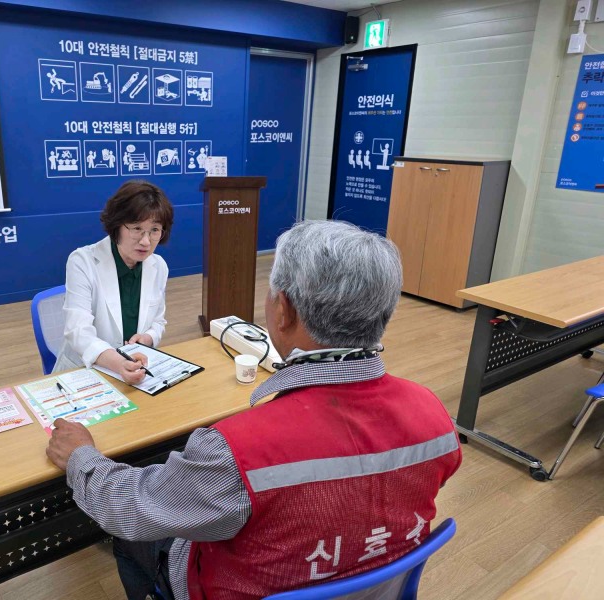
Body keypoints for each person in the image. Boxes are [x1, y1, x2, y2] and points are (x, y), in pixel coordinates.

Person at [47, 220, 462, 600]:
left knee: (133, 537)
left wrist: (82, 456)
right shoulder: (434, 413)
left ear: (284, 310)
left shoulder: (235, 450)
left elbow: (132, 509)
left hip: (229, 586)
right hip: (370, 582)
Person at [51, 180, 173, 384]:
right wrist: (118, 363)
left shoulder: (158, 266)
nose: (146, 241)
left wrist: (148, 338)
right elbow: (78, 331)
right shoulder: (83, 261)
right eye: (136, 228)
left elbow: (158, 322)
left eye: (154, 230)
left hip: (135, 369)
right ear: (117, 225)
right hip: (85, 371)